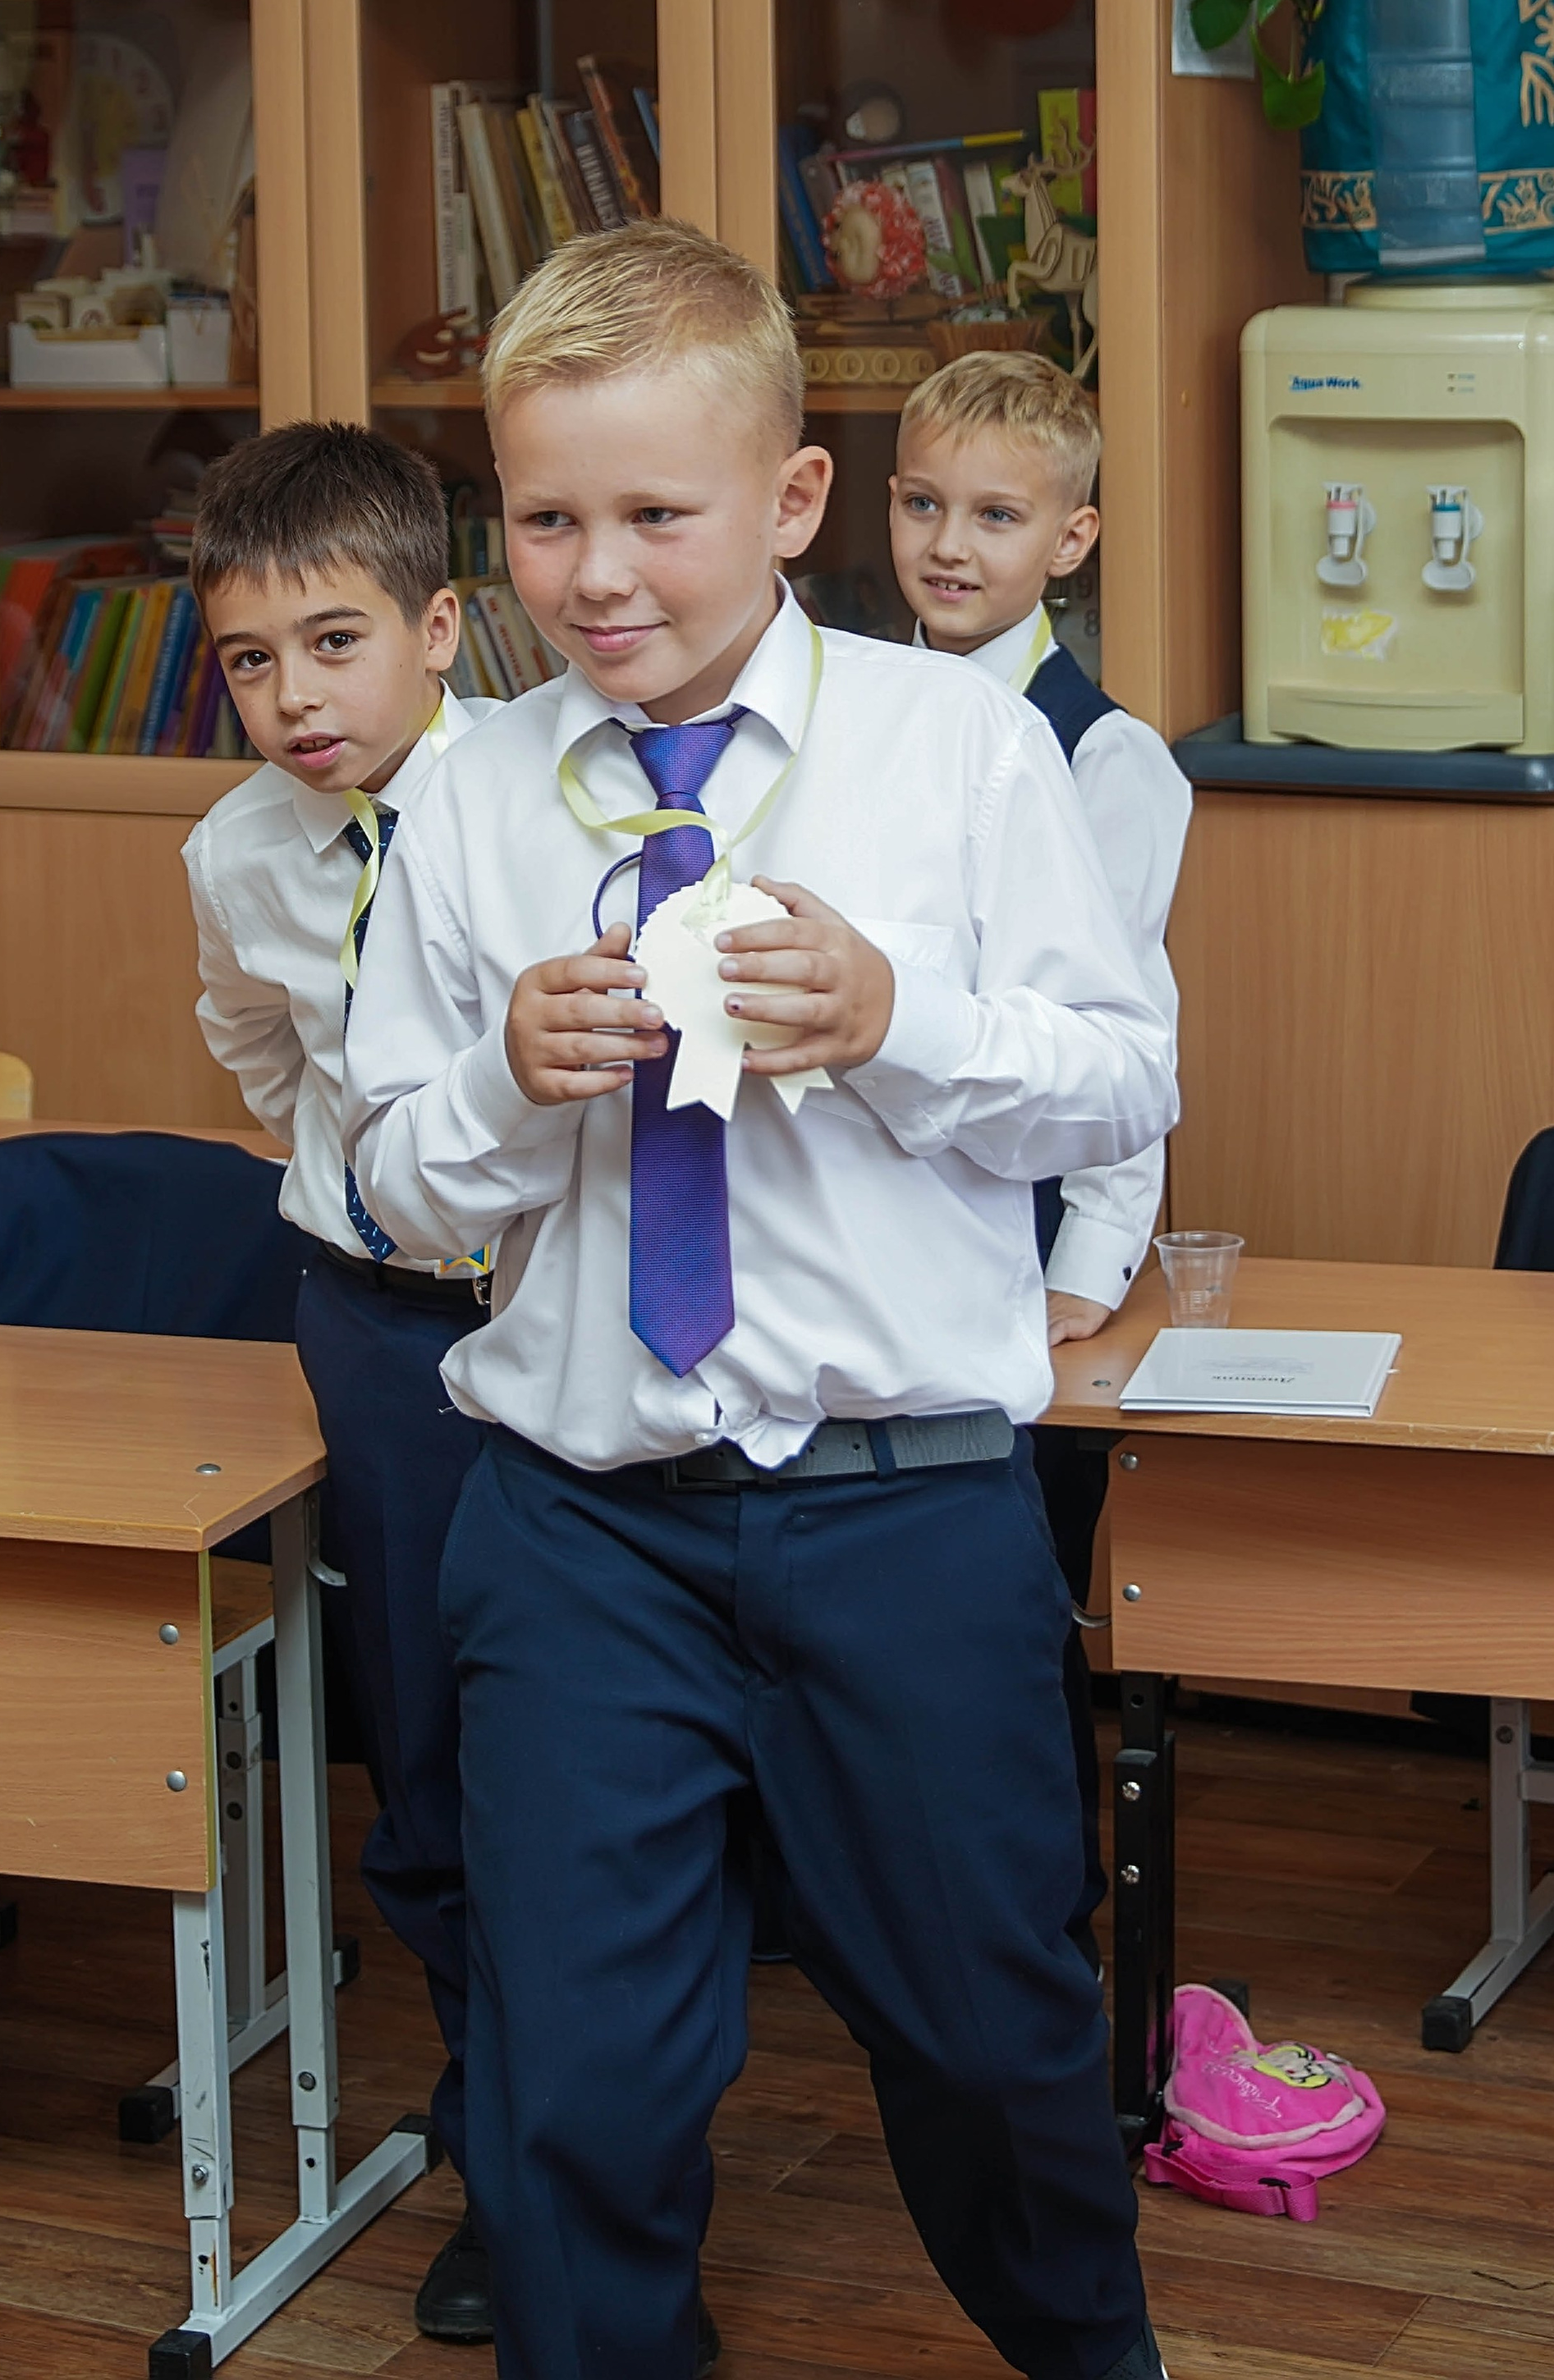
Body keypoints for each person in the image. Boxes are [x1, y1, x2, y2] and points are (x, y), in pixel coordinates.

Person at [342, 221, 1180, 2380]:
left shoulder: (957, 756)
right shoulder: (470, 799)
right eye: (543, 517)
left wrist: (901, 1019)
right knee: (576, 2089)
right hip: (580, 1523)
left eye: (655, 515)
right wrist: (507, 1092)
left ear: (795, 503)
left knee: (996, 2039)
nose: (595, 574)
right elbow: (380, 1170)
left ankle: (1099, 2357)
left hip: (901, 1512)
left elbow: (1120, 1077)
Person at [181, 423, 498, 2344]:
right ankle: (494, 2148)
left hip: (559, 1317)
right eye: (245, 658)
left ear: (440, 626)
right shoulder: (235, 848)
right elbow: (252, 1036)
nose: (291, 694)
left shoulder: (543, 800)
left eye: (332, 640)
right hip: (375, 1317)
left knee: (578, 1744)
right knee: (431, 1739)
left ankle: (604, 2135)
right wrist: (345, 1174)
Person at [890, 352, 1192, 1954]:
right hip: (870, 1206)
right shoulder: (858, 714)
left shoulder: (1103, 756)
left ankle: (1033, 1905)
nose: (949, 543)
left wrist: (1083, 1268)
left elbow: (1123, 1041)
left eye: (994, 514)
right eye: (922, 503)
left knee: (1001, 1587)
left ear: (1068, 539)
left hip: (1009, 1227)